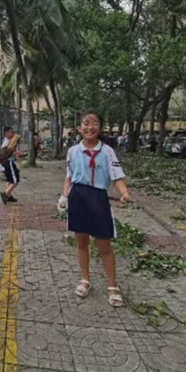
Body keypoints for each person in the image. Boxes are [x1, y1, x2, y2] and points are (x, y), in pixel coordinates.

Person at [58, 110, 131, 308]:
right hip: (78, 197)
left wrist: (124, 192)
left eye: (95, 123)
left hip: (98, 198)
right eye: (86, 123)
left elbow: (117, 176)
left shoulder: (107, 151)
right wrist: (64, 196)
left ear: (100, 127)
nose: (90, 127)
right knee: (82, 243)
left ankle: (112, 286)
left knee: (104, 246)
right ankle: (85, 280)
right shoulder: (73, 151)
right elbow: (69, 176)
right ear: (79, 127)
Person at [0, 125, 24, 205]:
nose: (13, 134)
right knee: (15, 180)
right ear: (6, 133)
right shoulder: (7, 143)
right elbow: (7, 154)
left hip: (7, 162)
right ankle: (5, 193)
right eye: (11, 132)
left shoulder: (9, 141)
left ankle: (9, 195)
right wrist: (17, 153)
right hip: (8, 162)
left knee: (10, 179)